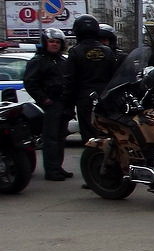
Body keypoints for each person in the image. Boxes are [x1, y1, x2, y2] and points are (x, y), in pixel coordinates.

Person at [21, 28, 73, 180]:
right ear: (45, 43)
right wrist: (44, 100)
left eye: (57, 42)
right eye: (51, 41)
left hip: (63, 103)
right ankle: (51, 171)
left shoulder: (63, 60)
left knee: (61, 137)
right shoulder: (38, 61)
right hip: (51, 104)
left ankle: (58, 167)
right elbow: (30, 83)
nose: (54, 45)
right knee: (50, 138)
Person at [62, 14, 117, 143]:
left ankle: (92, 158)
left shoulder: (75, 52)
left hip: (84, 100)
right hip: (106, 99)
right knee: (107, 133)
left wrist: (67, 105)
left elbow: (69, 80)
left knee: (89, 136)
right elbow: (114, 76)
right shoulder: (107, 51)